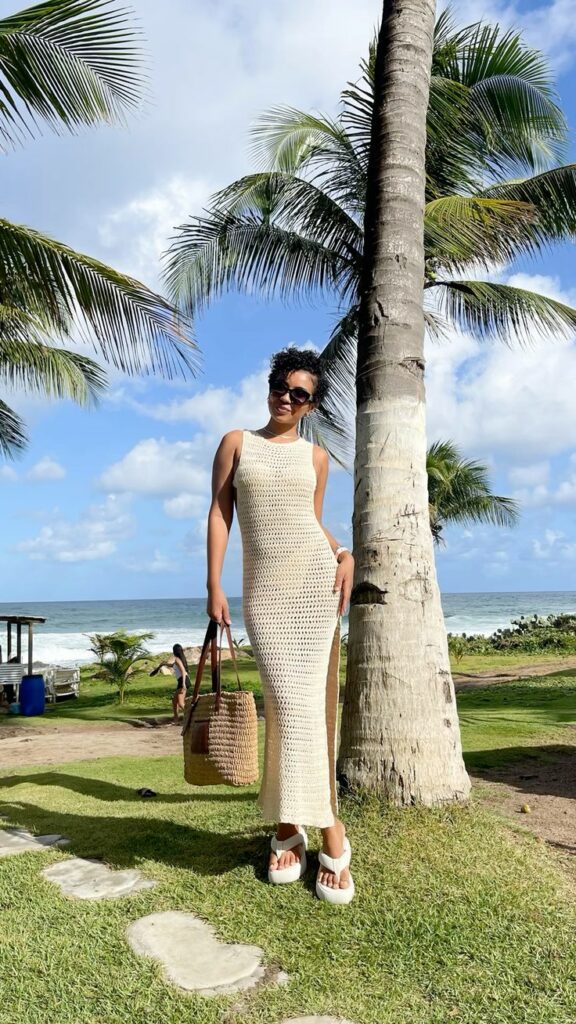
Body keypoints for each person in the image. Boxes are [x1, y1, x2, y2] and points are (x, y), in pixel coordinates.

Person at [206, 347, 355, 904]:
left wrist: (343, 554)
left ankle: (293, 828)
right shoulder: (236, 443)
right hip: (267, 598)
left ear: (310, 405)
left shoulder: (316, 458)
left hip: (315, 587)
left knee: (306, 713)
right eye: (280, 386)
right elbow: (221, 512)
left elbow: (311, 523)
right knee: (291, 710)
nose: (286, 398)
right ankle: (330, 835)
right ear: (269, 386)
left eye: (299, 394)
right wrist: (214, 584)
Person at [171, 643, 190, 724]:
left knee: (181, 703)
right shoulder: (179, 659)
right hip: (183, 680)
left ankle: (191, 716)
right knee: (174, 701)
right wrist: (164, 664)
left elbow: (183, 671)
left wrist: (183, 684)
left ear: (174, 651)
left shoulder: (177, 659)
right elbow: (173, 665)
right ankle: (176, 720)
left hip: (183, 681)